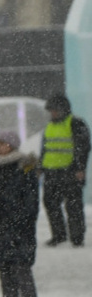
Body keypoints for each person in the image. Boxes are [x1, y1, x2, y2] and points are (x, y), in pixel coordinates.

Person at [0, 139, 42, 297]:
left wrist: (24, 217)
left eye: (4, 144)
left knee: (21, 264)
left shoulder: (24, 168)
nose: (0, 148)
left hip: (19, 224)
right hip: (2, 223)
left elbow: (31, 196)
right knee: (5, 265)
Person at [43, 93, 85, 249]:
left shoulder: (75, 123)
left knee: (73, 206)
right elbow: (45, 148)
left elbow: (83, 147)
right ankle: (58, 235)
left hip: (69, 171)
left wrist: (80, 168)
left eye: (55, 110)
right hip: (51, 171)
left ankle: (77, 237)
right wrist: (41, 166)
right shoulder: (50, 125)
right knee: (51, 204)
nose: (53, 113)